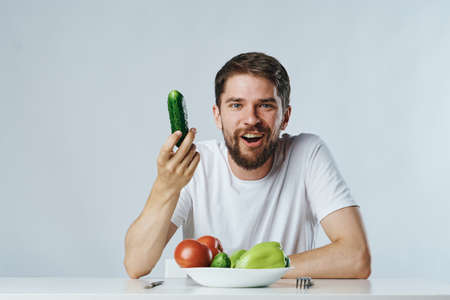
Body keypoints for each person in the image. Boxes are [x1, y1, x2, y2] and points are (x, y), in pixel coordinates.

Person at [124, 52, 371, 279]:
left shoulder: (307, 153)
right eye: (236, 105)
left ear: (285, 116)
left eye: (265, 105)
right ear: (217, 116)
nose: (251, 119)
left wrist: (248, 272)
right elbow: (136, 264)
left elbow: (356, 256)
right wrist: (165, 187)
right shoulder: (197, 164)